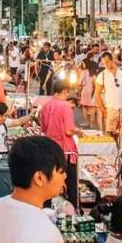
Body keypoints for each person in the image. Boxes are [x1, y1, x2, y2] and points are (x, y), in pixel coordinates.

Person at [40, 79, 86, 208]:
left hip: (49, 148)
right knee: (71, 182)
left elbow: (43, 128)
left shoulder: (45, 106)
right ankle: (73, 209)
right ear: (65, 91)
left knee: (49, 179)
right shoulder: (65, 106)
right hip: (65, 151)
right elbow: (68, 130)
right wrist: (78, 132)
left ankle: (47, 208)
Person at [95, 52, 122, 136]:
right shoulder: (102, 75)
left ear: (112, 60)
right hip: (111, 110)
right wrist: (103, 110)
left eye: (107, 62)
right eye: (104, 63)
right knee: (110, 136)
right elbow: (97, 94)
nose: (106, 65)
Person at [79, 55, 100, 130]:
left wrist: (80, 86)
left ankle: (86, 122)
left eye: (83, 63)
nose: (82, 65)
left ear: (86, 64)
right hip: (93, 92)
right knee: (92, 108)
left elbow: (79, 82)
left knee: (85, 107)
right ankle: (91, 124)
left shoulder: (83, 72)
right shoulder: (94, 73)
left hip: (85, 91)